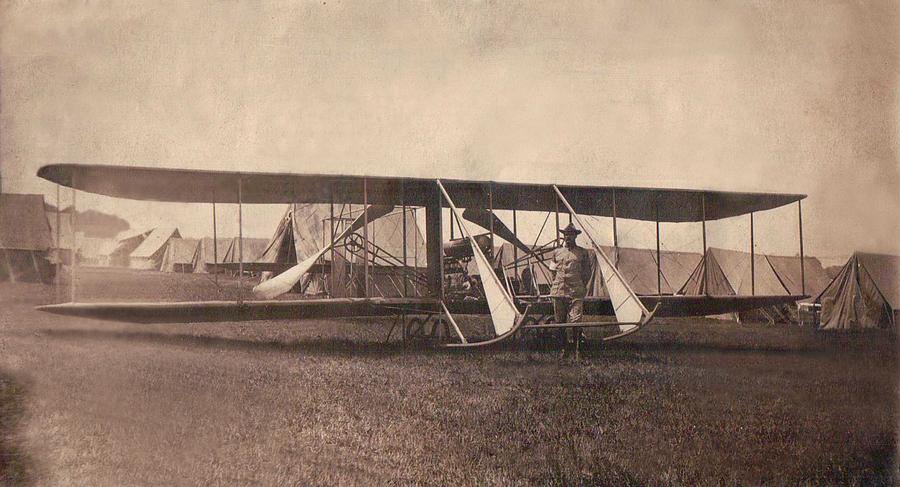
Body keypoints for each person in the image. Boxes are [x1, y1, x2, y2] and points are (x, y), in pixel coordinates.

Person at [549, 223, 593, 353]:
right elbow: (552, 270)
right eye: (566, 235)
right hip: (559, 292)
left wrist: (580, 285)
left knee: (576, 320)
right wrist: (556, 283)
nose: (568, 237)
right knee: (560, 322)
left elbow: (587, 273)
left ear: (575, 236)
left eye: (571, 235)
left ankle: (577, 349)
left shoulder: (582, 253)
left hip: (576, 292)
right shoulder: (556, 252)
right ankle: (563, 349)